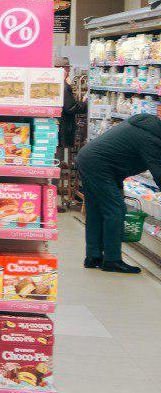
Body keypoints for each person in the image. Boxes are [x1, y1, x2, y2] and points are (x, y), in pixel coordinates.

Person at [74, 114, 160, 274]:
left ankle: (93, 256)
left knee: (96, 210)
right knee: (116, 209)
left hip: (90, 160)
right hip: (99, 166)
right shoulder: (151, 140)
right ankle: (112, 260)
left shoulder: (145, 127)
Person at [57, 57, 86, 161]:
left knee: (57, 150)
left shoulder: (56, 83)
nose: (69, 72)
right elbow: (71, 107)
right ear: (62, 69)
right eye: (68, 69)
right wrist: (85, 104)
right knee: (59, 153)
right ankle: (60, 167)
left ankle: (60, 165)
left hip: (58, 124)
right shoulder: (64, 86)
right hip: (63, 125)